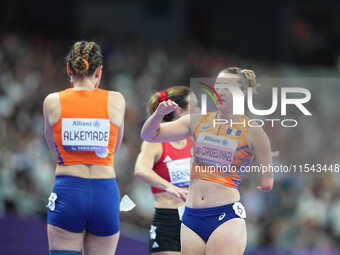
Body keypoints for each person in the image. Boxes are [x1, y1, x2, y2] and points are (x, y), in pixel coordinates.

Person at [140, 67, 274, 255]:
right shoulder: (196, 121)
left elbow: (268, 178)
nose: (220, 91)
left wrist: (263, 179)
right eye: (218, 86)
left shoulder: (253, 131)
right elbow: (149, 135)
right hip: (191, 218)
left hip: (225, 218)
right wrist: (158, 115)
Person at [43, 41, 125, 255]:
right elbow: (114, 147)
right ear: (99, 71)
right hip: (104, 193)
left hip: (68, 191)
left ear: (69, 69)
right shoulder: (117, 100)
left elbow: (52, 145)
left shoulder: (52, 102)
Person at [135, 86, 196, 255]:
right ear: (181, 111)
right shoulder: (155, 142)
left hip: (195, 219)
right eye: (194, 105)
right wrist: (169, 186)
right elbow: (140, 170)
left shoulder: (195, 141)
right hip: (168, 217)